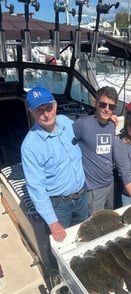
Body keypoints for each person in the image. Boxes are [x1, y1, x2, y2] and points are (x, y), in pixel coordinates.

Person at [21, 87, 88, 242]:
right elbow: (36, 187)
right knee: (63, 244)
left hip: (82, 196)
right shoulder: (29, 146)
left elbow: (87, 130)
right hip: (58, 205)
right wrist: (52, 222)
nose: (46, 114)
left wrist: (107, 120)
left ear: (55, 105)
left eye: (49, 108)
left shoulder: (65, 121)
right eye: (40, 110)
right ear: (31, 112)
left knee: (84, 237)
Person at [73, 86, 118, 216]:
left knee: (110, 219)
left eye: (111, 107)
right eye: (103, 104)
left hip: (110, 184)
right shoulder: (82, 124)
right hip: (93, 189)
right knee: (95, 225)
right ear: (95, 104)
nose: (107, 109)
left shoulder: (111, 125)